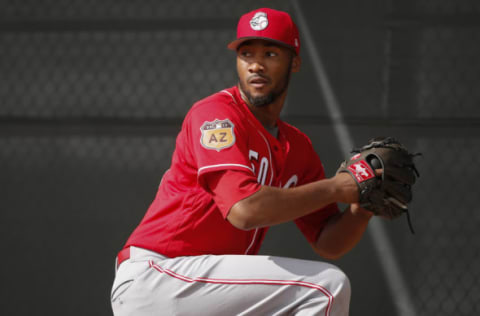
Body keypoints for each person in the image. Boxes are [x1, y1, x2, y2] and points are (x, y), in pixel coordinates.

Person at [111, 8, 373, 316]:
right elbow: (244, 209)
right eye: (246, 53)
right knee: (326, 289)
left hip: (203, 288)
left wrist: (363, 206)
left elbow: (328, 240)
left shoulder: (297, 148)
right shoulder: (216, 116)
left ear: (295, 62)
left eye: (271, 53)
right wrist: (337, 188)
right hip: (160, 275)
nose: (256, 65)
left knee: (325, 285)